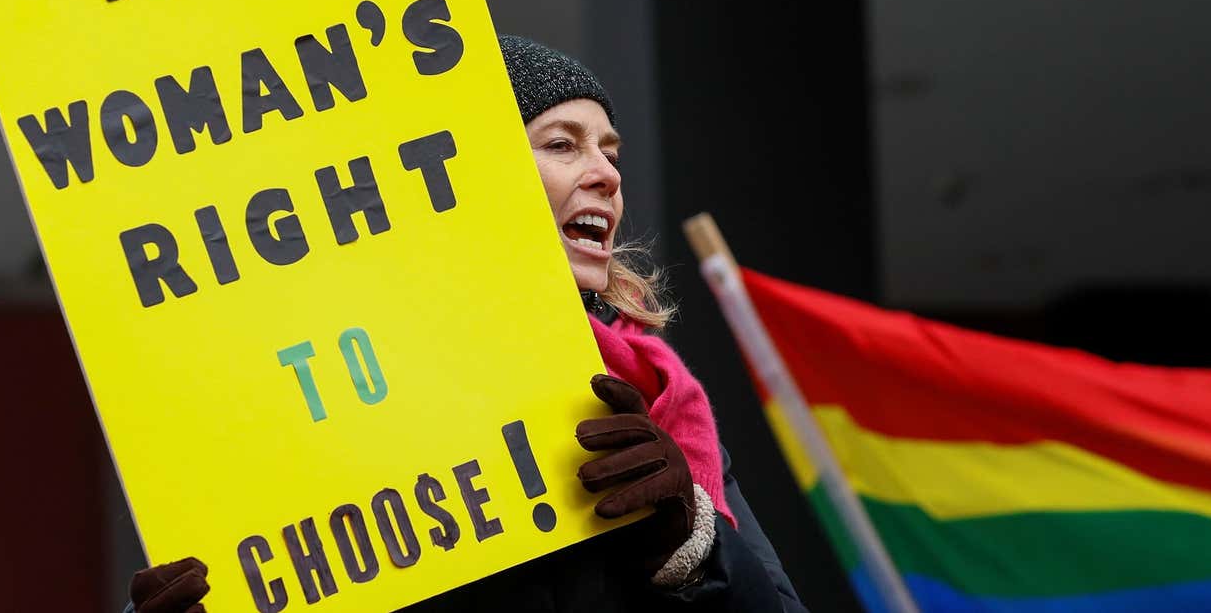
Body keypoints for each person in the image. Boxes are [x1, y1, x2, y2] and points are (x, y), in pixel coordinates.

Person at [125, 36, 808, 612]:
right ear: (461, 178)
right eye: (563, 145)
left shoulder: (645, 409)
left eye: (611, 152)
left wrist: (693, 550)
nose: (605, 174)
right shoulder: (320, 399)